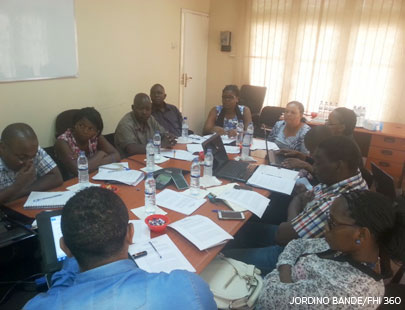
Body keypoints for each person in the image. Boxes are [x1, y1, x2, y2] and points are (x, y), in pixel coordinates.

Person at [24, 187, 216, 310]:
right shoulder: (189, 287)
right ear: (130, 233)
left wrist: (63, 277)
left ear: (65, 247)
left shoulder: (38, 307)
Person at [223, 136, 368, 275]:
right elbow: (303, 198)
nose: (314, 167)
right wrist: (299, 205)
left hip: (298, 257)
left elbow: (284, 236)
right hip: (298, 233)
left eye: (318, 162)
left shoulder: (338, 200)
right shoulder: (348, 177)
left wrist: (296, 206)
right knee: (236, 232)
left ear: (338, 165)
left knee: (223, 259)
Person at [257, 190, 405, 309]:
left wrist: (283, 272)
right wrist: (286, 277)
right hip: (274, 279)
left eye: (332, 222)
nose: (325, 227)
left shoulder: (347, 293)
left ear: (361, 234)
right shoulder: (345, 247)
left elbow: (268, 297)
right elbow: (298, 243)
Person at [0, 123, 63, 204]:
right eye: (22, 157)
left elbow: (56, 177)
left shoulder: (30, 149)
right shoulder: (24, 149)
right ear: (2, 147)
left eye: (33, 156)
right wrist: (18, 185)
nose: (28, 163)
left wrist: (18, 192)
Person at [54, 107, 120, 176]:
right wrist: (100, 154)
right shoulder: (63, 142)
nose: (85, 131)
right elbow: (78, 170)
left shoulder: (96, 137)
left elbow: (116, 155)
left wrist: (90, 166)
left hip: (94, 175)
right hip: (73, 181)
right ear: (74, 125)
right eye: (81, 125)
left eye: (90, 128)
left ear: (96, 132)